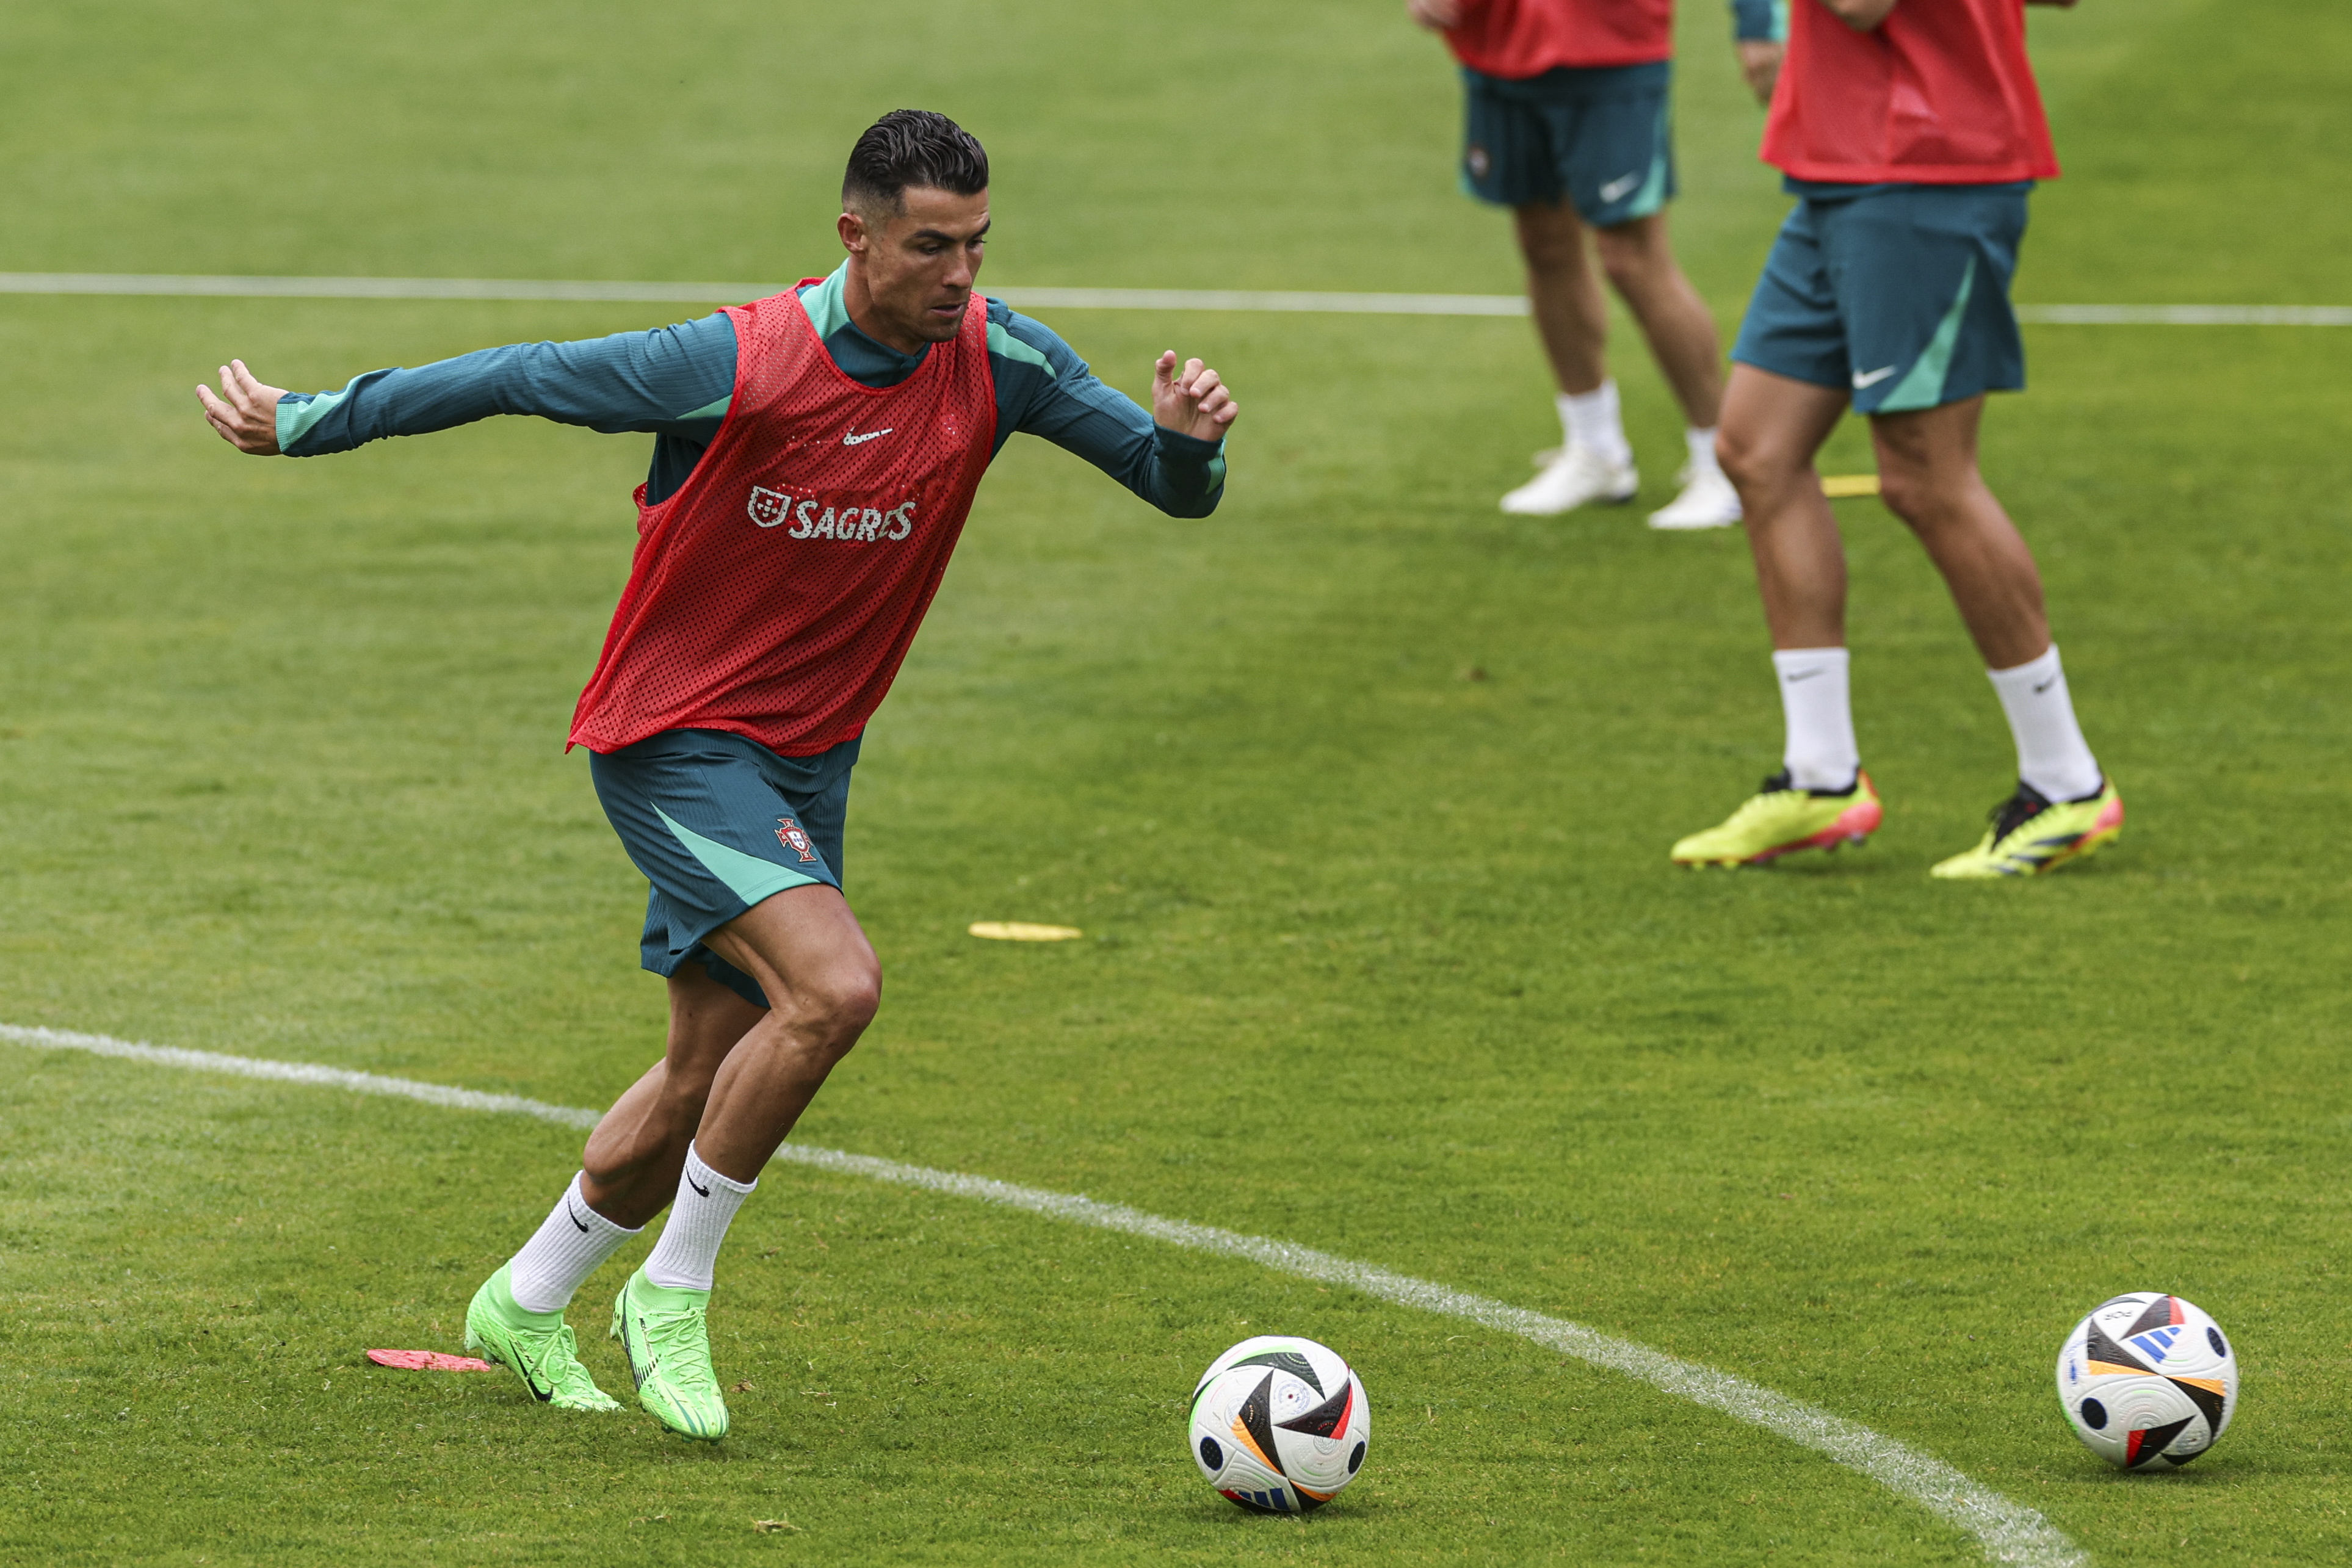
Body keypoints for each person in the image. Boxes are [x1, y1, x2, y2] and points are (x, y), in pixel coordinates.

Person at [196, 110, 1238, 1439]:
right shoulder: (738, 363)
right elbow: (522, 372)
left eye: (977, 244)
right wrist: (314, 420)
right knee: (834, 987)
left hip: (806, 766)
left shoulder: (999, 358)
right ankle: (670, 1293)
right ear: (856, 235)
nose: (960, 276)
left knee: (711, 1061)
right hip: (675, 739)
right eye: (930, 247)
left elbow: (1169, 485)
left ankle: (523, 1300)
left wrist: (1190, 438)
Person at [1670, 0, 2124, 878]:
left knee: (1926, 477)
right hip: (1846, 165)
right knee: (1756, 450)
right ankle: (1820, 774)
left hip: (1924, 170)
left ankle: (2066, 782)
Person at [1407, 0, 1764, 529]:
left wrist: (1757, 23)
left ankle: (1720, 461)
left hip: (1608, 46)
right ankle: (1595, 449)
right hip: (1494, 45)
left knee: (1631, 257)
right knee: (1543, 245)